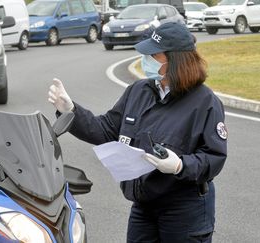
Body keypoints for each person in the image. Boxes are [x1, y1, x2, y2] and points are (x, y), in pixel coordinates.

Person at [48, 22, 227, 242]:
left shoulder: (205, 102)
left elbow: (214, 157)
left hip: (185, 210)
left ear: (176, 60)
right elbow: (105, 129)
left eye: (154, 54)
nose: (146, 60)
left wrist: (180, 165)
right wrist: (70, 111)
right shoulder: (138, 91)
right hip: (144, 205)